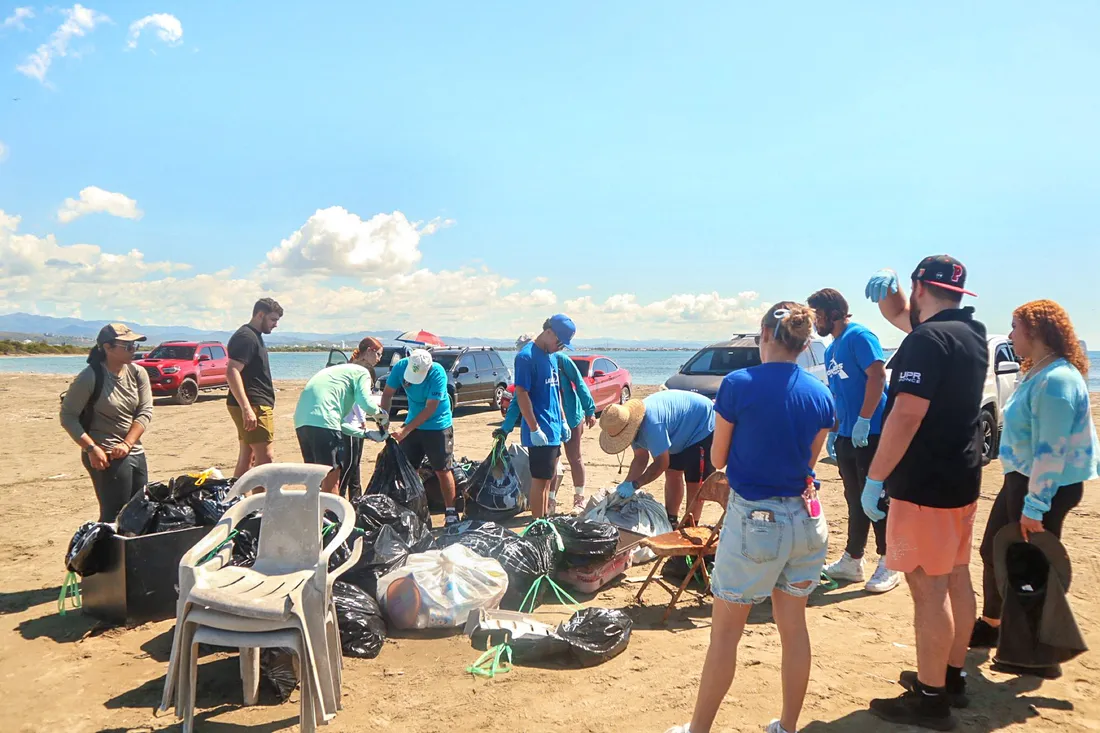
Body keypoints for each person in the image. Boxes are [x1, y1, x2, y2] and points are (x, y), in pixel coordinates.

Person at [665, 303, 834, 733]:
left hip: (756, 520)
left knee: (725, 633)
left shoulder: (738, 384)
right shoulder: (820, 393)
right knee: (793, 628)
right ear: (803, 343)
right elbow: (809, 463)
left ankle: (699, 729)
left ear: (764, 333)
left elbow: (718, 457)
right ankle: (788, 727)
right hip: (805, 520)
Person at [862, 255, 987, 730]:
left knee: (927, 591)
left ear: (919, 287)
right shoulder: (968, 332)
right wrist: (892, 294)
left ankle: (932, 699)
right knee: (956, 575)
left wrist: (876, 476)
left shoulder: (925, 341)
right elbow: (903, 315)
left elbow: (906, 416)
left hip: (924, 488)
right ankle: (951, 678)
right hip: (962, 476)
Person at [971, 300, 1099, 665]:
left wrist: (1035, 506)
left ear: (1037, 331)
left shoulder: (1057, 379)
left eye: (1015, 327)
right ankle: (993, 624)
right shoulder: (1038, 371)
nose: (1011, 335)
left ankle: (1035, 652)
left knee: (1030, 566)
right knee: (993, 552)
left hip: (1045, 486)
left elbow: (1051, 451)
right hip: (1021, 478)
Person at [807, 288, 899, 594]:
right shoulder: (832, 349)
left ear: (833, 314)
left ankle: (889, 561)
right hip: (847, 435)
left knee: (877, 498)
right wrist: (837, 427)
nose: (815, 321)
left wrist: (864, 419)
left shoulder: (860, 336)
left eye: (817, 315)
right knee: (854, 498)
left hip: (871, 433)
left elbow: (877, 376)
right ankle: (853, 559)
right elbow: (840, 392)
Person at [60, 324, 154, 522]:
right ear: (108, 348)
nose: (133, 351)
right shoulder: (90, 377)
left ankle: (130, 553)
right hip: (105, 456)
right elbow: (68, 416)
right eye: (127, 346)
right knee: (114, 517)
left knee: (141, 513)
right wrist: (91, 448)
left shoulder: (138, 374)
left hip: (134, 451)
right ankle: (105, 553)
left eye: (134, 346)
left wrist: (127, 443)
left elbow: (145, 412)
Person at [500, 334, 597, 513]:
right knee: (551, 464)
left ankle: (579, 498)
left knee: (574, 457)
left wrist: (589, 410)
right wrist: (506, 428)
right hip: (549, 423)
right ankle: (550, 501)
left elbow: (578, 383)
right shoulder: (529, 361)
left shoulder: (558, 358)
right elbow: (518, 399)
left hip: (570, 416)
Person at [599, 389, 715, 528]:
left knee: (694, 482)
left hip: (701, 425)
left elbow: (661, 463)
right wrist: (627, 483)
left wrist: (636, 484)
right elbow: (640, 459)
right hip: (676, 430)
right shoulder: (628, 426)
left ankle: (691, 525)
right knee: (673, 474)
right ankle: (671, 520)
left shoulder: (652, 425)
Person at [293, 337, 388, 496]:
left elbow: (338, 424)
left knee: (315, 476)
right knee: (332, 477)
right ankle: (332, 518)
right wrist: (381, 416)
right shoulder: (363, 372)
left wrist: (366, 434)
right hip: (323, 422)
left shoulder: (341, 374)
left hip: (302, 421)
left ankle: (314, 516)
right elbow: (366, 403)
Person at [381, 349, 459, 524]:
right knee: (408, 469)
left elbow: (430, 409)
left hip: (437, 424)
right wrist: (383, 419)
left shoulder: (437, 373)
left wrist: (405, 430)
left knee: (442, 469)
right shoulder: (401, 367)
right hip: (412, 420)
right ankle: (414, 507)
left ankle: (451, 512)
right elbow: (387, 394)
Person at [511, 315, 576, 518]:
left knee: (550, 477)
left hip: (555, 427)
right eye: (560, 343)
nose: (561, 348)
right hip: (540, 428)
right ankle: (537, 524)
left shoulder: (551, 356)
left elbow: (556, 392)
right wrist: (533, 428)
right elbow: (521, 394)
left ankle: (545, 518)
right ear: (549, 332)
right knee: (539, 480)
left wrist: (563, 420)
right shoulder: (526, 356)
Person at [226, 298, 282, 479]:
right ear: (260, 315)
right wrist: (247, 408)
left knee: (247, 457)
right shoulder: (246, 337)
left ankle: (236, 500)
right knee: (265, 460)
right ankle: (260, 503)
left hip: (254, 403)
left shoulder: (253, 336)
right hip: (254, 404)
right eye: (273, 320)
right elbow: (232, 371)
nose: (275, 325)